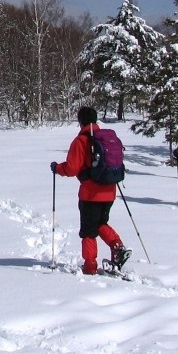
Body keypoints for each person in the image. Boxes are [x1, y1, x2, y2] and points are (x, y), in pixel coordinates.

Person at [51, 106, 130, 275]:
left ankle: (89, 266)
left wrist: (57, 168)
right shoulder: (107, 137)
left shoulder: (81, 141)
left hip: (90, 193)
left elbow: (72, 168)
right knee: (100, 223)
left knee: (89, 230)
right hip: (110, 190)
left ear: (80, 121)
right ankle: (118, 246)